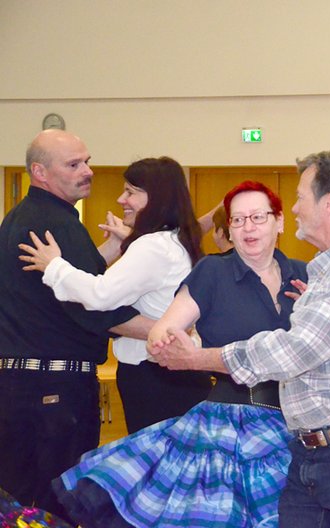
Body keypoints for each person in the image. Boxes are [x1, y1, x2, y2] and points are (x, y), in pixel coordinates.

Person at [148, 150, 330, 528]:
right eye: (239, 219)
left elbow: (295, 352)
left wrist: (197, 358)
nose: (294, 209)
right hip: (317, 454)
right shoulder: (326, 271)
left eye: (300, 198)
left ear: (329, 204)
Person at [50, 181, 307, 528]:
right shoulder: (213, 272)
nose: (248, 227)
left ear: (279, 222)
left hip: (298, 421)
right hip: (227, 424)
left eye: (258, 217)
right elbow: (166, 327)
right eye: (238, 219)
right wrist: (164, 340)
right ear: (228, 228)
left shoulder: (305, 275)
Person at [0, 130, 150, 521]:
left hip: (24, 389)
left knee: (21, 501)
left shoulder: (27, 217)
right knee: (53, 504)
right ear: (40, 172)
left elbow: (69, 284)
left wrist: (111, 251)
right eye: (73, 165)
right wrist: (171, 332)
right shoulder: (54, 224)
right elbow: (93, 306)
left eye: (87, 161)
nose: (88, 171)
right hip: (53, 393)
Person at [20, 156, 213, 433]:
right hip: (170, 374)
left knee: (155, 465)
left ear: (155, 198)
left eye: (131, 192)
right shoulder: (173, 240)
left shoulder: (153, 246)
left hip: (156, 375)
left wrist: (54, 266)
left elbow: (101, 295)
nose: (122, 199)